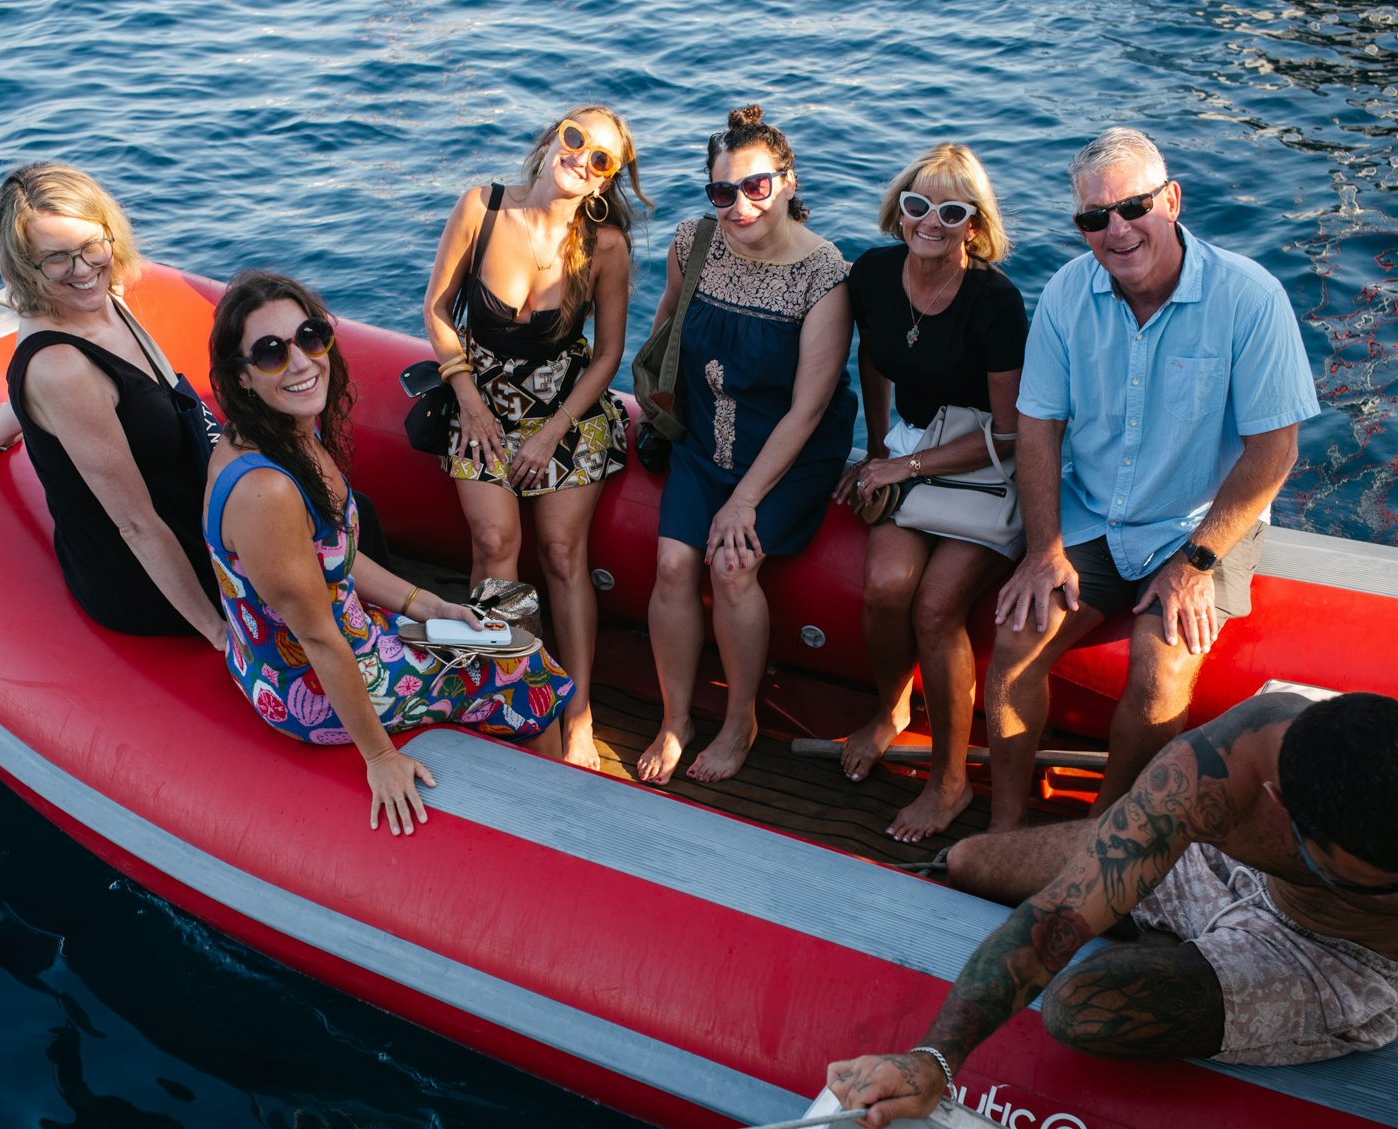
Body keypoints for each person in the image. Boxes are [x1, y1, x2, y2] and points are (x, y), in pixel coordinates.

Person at [829, 690, 1398, 1127]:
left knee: (1081, 1008)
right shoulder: (1212, 774)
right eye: (1355, 874)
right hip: (1223, 861)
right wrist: (933, 1056)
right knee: (970, 860)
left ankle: (1158, 931)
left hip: (1341, 956)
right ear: (1282, 806)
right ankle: (1144, 908)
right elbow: (1054, 918)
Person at [987, 127, 1321, 830]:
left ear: (1171, 200)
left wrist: (1197, 561)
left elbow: (1273, 452)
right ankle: (1004, 828)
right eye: (1094, 217)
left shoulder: (1250, 298)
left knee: (1159, 672)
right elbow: (1039, 428)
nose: (1118, 230)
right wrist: (1044, 547)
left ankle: (1102, 840)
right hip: (1096, 514)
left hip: (1199, 524)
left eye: (1134, 207)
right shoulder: (1065, 296)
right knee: (1016, 645)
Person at [204, 271, 574, 834]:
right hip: (308, 683)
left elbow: (336, 558)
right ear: (243, 378)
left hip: (342, 634)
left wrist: (427, 606)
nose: (302, 362)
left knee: (503, 614)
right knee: (524, 662)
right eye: (271, 353)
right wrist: (380, 758)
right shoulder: (268, 490)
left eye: (309, 337)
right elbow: (317, 635)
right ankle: (555, 821)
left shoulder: (285, 432)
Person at [634, 105, 856, 787]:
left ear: (787, 182)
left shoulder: (823, 275)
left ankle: (741, 720)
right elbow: (665, 329)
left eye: (756, 187)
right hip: (706, 438)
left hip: (786, 454)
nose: (738, 206)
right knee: (674, 565)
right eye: (722, 192)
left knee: (732, 566)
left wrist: (746, 501)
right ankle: (676, 718)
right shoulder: (691, 243)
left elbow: (809, 407)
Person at [422, 106, 649, 770]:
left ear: (606, 181)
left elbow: (608, 355)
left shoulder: (604, 247)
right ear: (553, 138)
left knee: (559, 552)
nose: (580, 156)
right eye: (574, 138)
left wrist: (552, 433)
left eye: (599, 158)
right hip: (479, 402)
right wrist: (466, 395)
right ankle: (519, 691)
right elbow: (436, 309)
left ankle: (575, 711)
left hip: (565, 412)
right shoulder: (482, 207)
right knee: (496, 543)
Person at [831, 145, 1029, 842]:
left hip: (980, 460)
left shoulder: (996, 302)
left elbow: (1009, 435)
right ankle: (892, 708)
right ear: (900, 209)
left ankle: (951, 783)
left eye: (952, 210)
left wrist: (904, 469)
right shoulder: (875, 273)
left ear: (975, 223)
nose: (931, 222)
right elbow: (871, 360)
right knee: (886, 583)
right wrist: (878, 447)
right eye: (918, 205)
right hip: (913, 444)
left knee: (939, 604)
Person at [0, 161, 226, 646]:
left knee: (347, 513)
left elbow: (50, 406)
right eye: (56, 259)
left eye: (91, 246)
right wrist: (219, 633)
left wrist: (0, 428)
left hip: (196, 513)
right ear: (22, 267)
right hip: (150, 573)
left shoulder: (102, 296)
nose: (83, 270)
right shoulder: (60, 367)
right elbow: (134, 525)